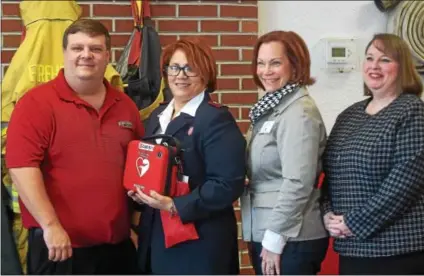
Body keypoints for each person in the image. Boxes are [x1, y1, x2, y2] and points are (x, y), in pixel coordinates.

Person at [5, 19, 143, 274]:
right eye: (77, 48)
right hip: (60, 247)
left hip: (117, 249)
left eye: (95, 48)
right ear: (65, 53)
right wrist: (50, 225)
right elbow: (21, 167)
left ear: (107, 56)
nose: (86, 55)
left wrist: (135, 227)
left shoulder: (125, 106)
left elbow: (136, 170)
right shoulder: (36, 104)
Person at [321, 33, 424, 275]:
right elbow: (331, 171)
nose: (374, 66)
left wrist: (353, 222)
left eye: (385, 60)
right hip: (354, 247)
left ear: (402, 68)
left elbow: (405, 183)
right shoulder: (349, 115)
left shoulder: (413, 112)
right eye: (369, 58)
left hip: (405, 249)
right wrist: (327, 213)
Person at [129, 37, 246, 274]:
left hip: (198, 241)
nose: (180, 75)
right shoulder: (158, 116)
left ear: (205, 74)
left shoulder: (216, 120)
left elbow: (227, 184)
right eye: (175, 67)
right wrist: (140, 193)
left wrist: (175, 205)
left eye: (190, 68)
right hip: (156, 235)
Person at [240, 30, 329, 275]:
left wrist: (274, 238)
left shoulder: (298, 112)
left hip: (290, 237)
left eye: (275, 63)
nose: (266, 71)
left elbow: (298, 181)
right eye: (261, 63)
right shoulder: (272, 107)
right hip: (269, 230)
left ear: (295, 65)